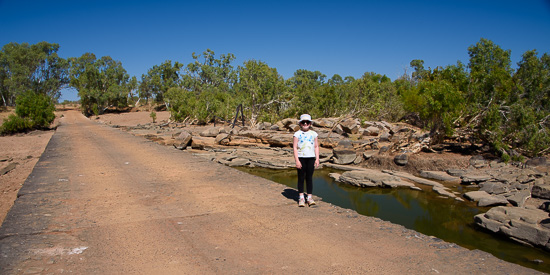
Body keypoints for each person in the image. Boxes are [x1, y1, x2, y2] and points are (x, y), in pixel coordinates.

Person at [293, 114, 320, 207]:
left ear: (310, 123)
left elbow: (316, 146)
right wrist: (297, 160)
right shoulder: (297, 134)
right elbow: (295, 147)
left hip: (311, 158)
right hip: (301, 158)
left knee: (309, 178)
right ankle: (301, 197)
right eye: (303, 122)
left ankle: (309, 197)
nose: (305, 124)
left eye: (307, 122)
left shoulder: (314, 134)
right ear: (300, 123)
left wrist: (317, 159)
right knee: (301, 178)